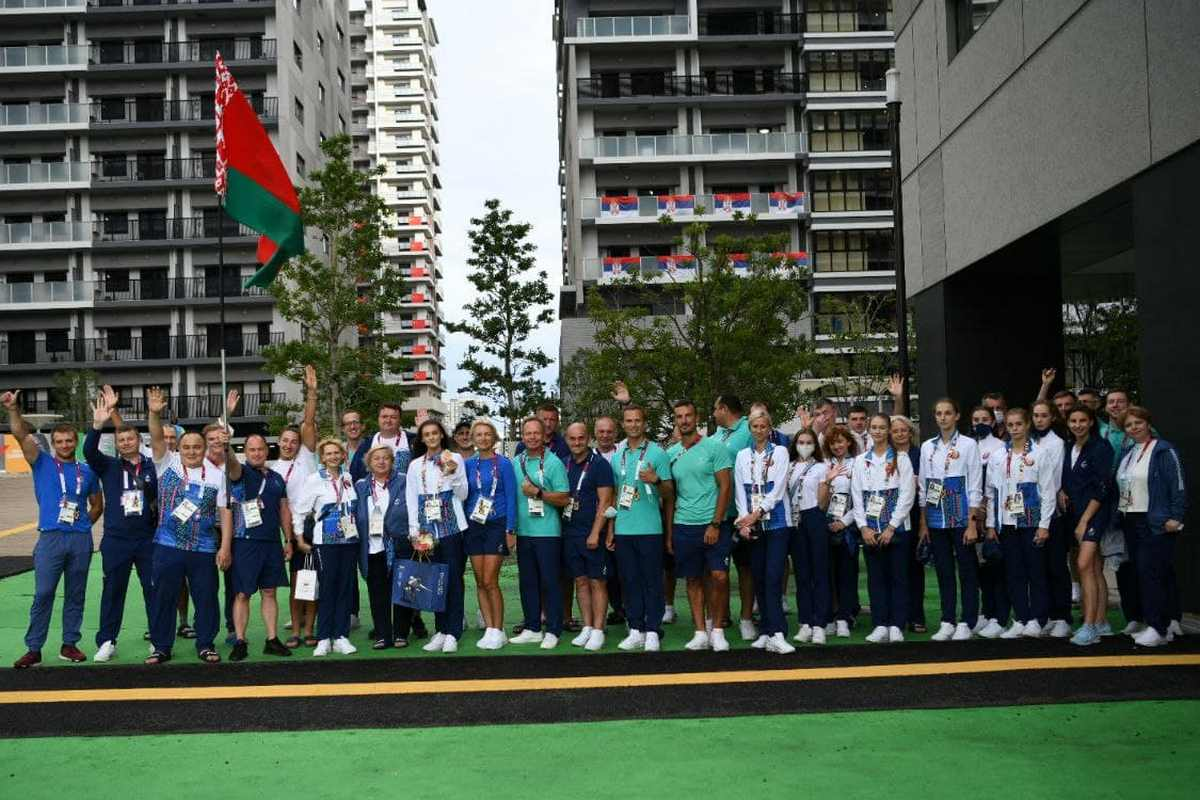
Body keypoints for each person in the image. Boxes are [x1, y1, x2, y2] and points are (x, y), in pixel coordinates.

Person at [4, 392, 103, 668]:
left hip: (80, 540)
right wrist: (13, 410)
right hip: (50, 538)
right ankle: (34, 648)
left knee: (75, 594)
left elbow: (97, 504)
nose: (64, 445)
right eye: (59, 441)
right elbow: (21, 435)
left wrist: (84, 525)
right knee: (44, 593)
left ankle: (69, 644)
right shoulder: (42, 462)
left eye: (69, 440)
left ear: (76, 441)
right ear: (53, 443)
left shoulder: (88, 470)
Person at [144, 387, 232, 664]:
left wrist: (225, 547)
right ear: (178, 448)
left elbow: (225, 512)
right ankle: (162, 646)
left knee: (206, 598)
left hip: (203, 548)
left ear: (204, 449)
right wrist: (154, 413)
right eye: (186, 447)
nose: (192, 451)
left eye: (196, 447)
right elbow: (157, 437)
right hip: (167, 546)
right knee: (164, 597)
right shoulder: (166, 465)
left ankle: (205, 643)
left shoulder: (217, 475)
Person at [83, 387, 158, 663]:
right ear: (116, 444)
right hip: (116, 541)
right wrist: (97, 424)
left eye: (130, 438)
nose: (126, 442)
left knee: (153, 590)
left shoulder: (153, 466)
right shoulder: (108, 466)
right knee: (113, 591)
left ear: (140, 440)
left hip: (148, 539)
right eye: (121, 439)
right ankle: (106, 640)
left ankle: (158, 638)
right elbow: (89, 451)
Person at [666, 399, 734, 652]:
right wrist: (670, 533)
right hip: (684, 524)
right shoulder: (670, 455)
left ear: (696, 418)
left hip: (713, 523)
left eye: (688, 415)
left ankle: (717, 630)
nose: (684, 420)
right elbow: (670, 495)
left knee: (718, 575)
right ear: (675, 420)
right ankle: (699, 632)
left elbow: (725, 486)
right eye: (679, 416)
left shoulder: (714, 448)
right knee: (693, 579)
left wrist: (715, 523)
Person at [1116, 407, 1186, 647]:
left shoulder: (1163, 450)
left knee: (1152, 573)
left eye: (1138, 423)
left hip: (1155, 521)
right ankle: (1160, 626)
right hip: (1131, 519)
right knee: (1144, 574)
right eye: (1128, 425)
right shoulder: (1128, 451)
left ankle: (1158, 626)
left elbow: (1177, 484)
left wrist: (1175, 516)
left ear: (1148, 423)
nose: (1134, 428)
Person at [986, 408, 1057, 639]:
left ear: (1027, 426)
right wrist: (990, 524)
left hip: (1031, 522)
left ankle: (1038, 618)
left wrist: (1044, 525)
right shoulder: (998, 455)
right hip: (1006, 524)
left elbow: (1048, 491)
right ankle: (1021, 618)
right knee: (1013, 573)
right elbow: (991, 491)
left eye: (1018, 424)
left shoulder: (1040, 453)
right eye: (1010, 424)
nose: (1014, 429)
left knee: (1035, 572)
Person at [918, 399, 983, 642]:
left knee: (966, 570)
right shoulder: (927, 447)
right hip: (936, 518)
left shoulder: (968, 445)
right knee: (944, 571)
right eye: (938, 413)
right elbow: (924, 485)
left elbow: (975, 483)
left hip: (961, 516)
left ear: (957, 416)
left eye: (947, 413)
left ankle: (967, 620)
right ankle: (947, 620)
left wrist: (972, 522)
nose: (943, 417)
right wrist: (924, 523)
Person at [611, 404, 674, 652]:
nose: (633, 424)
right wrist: (611, 528)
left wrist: (656, 480)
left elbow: (669, 493)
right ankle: (635, 628)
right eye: (629, 420)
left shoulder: (657, 453)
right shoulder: (618, 456)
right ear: (623, 424)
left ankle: (653, 630)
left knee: (651, 581)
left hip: (649, 528)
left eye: (638, 420)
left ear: (644, 424)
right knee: (630, 581)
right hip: (624, 528)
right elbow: (617, 493)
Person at [225, 433, 293, 660]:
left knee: (269, 591)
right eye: (252, 449)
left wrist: (288, 539)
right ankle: (240, 640)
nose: (256, 453)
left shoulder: (276, 478)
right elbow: (231, 463)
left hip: (271, 542)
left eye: (260, 449)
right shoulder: (240, 473)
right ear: (246, 451)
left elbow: (283, 509)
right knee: (243, 593)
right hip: (245, 542)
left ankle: (272, 639)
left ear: (267, 451)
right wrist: (227, 445)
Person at [734, 410, 795, 654]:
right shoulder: (742, 456)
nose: (759, 430)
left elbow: (778, 489)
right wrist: (744, 521)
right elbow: (740, 490)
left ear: (770, 429)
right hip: (753, 525)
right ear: (750, 429)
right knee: (758, 576)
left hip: (778, 524)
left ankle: (779, 632)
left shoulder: (780, 452)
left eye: (763, 426)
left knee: (773, 576)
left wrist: (757, 513)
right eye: (755, 426)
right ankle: (766, 631)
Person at [405, 420, 469, 653]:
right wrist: (414, 531)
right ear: (422, 439)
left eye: (435, 433)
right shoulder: (414, 466)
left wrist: (451, 473)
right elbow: (412, 498)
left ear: (442, 435)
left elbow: (462, 495)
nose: (431, 437)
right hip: (425, 530)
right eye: (427, 434)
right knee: (434, 580)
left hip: (451, 527)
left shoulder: (456, 458)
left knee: (453, 579)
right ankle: (441, 630)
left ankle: (453, 631)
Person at [852, 414, 916, 643]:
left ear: (889, 430)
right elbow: (856, 496)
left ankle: (897, 624)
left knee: (898, 577)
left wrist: (891, 527)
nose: (877, 431)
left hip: (896, 530)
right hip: (871, 530)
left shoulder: (901, 458)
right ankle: (880, 623)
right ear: (868, 430)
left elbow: (907, 495)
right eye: (874, 428)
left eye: (882, 428)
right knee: (876, 579)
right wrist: (863, 527)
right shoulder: (861, 461)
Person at [509, 417, 571, 648]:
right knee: (528, 582)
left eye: (536, 433)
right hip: (524, 532)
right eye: (528, 433)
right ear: (522, 436)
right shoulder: (516, 462)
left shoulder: (554, 463)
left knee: (550, 582)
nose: (532, 437)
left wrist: (538, 493)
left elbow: (565, 498)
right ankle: (533, 627)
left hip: (548, 533)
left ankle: (553, 629)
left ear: (544, 435)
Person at [295, 438, 359, 656]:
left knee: (345, 588)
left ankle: (341, 636)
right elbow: (300, 511)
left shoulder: (348, 478)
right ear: (322, 458)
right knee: (327, 588)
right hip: (326, 543)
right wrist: (299, 538)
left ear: (343, 455)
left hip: (349, 541)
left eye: (336, 453)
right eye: (328, 454)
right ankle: (323, 637)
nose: (333, 456)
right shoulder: (314, 480)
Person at [1058, 404, 1115, 646]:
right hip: (1076, 512)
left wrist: (1084, 520)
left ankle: (1089, 626)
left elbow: (1103, 487)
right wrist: (1062, 489)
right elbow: (1069, 479)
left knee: (1083, 565)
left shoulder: (1101, 448)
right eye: (1073, 421)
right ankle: (1102, 622)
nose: (1078, 425)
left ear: (1091, 422)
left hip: (1095, 513)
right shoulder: (1070, 446)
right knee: (1094, 567)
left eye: (1083, 420)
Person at [274, 366, 320, 648]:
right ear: (278, 444)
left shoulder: (306, 455)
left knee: (312, 581)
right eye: (285, 441)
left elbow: (309, 421)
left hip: (317, 523)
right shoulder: (274, 469)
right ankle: (295, 631)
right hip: (295, 528)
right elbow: (282, 507)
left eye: (294, 441)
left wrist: (311, 393)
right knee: (296, 582)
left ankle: (311, 629)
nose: (290, 444)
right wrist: (289, 538)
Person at [561, 422, 615, 651]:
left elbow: (605, 501)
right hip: (570, 532)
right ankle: (587, 626)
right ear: (567, 440)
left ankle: (599, 630)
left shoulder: (600, 465)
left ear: (588, 438)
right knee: (580, 581)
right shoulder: (564, 464)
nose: (576, 443)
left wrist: (596, 532)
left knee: (597, 582)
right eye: (572, 439)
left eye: (581, 438)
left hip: (592, 533)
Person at [463, 419, 516, 649]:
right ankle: (489, 628)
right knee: (478, 580)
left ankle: (498, 627)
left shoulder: (503, 464)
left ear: (494, 438)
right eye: (479, 435)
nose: (483, 438)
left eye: (487, 434)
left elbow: (513, 497)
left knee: (490, 579)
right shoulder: (468, 464)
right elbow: (463, 492)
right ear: (473, 439)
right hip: (474, 525)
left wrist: (511, 529)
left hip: (497, 523)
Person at [355, 446, 412, 649]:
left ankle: (401, 633)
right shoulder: (361, 486)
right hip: (372, 547)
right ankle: (382, 634)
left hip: (400, 544)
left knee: (403, 590)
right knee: (377, 593)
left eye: (386, 458)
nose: (381, 462)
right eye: (376, 458)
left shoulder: (404, 480)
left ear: (392, 461)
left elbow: (412, 507)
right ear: (369, 463)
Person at [712, 394, 756, 643]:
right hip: (720, 512)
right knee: (719, 569)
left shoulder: (748, 428)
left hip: (744, 513)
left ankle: (747, 618)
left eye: (715, 409)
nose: (713, 414)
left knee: (745, 567)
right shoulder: (717, 434)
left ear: (724, 409)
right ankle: (723, 615)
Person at [786, 428, 829, 644]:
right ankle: (805, 622)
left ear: (815, 445)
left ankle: (820, 623)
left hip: (815, 518)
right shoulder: (789, 466)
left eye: (809, 442)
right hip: (794, 520)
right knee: (802, 574)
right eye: (801, 441)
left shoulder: (822, 467)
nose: (804, 445)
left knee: (819, 572)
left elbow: (822, 504)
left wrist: (827, 482)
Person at [1031, 399, 1070, 638]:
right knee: (1039, 568)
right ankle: (1044, 616)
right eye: (1035, 415)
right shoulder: (1030, 442)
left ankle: (1063, 617)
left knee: (1056, 566)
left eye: (1043, 415)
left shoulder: (1056, 444)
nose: (1039, 420)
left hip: (1051, 513)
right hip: (1029, 514)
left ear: (1052, 417)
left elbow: (1052, 481)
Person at [970, 406, 1009, 638]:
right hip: (972, 517)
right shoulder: (966, 445)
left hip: (993, 516)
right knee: (979, 568)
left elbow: (995, 486)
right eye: (976, 420)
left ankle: (999, 616)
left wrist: (986, 510)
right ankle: (986, 613)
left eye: (985, 419)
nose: (980, 423)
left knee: (996, 566)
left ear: (994, 422)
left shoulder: (1000, 447)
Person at [820, 425, 859, 638]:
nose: (837, 445)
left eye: (841, 441)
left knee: (846, 574)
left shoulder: (858, 465)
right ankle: (830, 616)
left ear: (849, 443)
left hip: (848, 527)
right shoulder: (824, 465)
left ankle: (845, 617)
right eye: (833, 442)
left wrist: (844, 522)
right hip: (825, 526)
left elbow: (860, 499)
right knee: (828, 575)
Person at [889, 414, 925, 634]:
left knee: (914, 569)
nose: (900, 434)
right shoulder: (886, 455)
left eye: (904, 430)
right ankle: (895, 617)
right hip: (890, 518)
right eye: (895, 431)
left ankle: (917, 616)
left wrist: (923, 522)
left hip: (913, 515)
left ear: (911, 433)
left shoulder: (919, 454)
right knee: (894, 571)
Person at [593, 415, 623, 625]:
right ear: (595, 433)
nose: (605, 435)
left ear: (615, 434)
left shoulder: (622, 455)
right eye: (601, 431)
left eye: (609, 432)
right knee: (602, 574)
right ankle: (613, 610)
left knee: (623, 570)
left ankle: (625, 609)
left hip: (621, 522)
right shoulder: (588, 457)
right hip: (594, 524)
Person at [341, 410, 368, 482]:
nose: (352, 427)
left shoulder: (372, 449)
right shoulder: (337, 452)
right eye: (348, 423)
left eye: (355, 422)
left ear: (363, 426)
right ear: (343, 429)